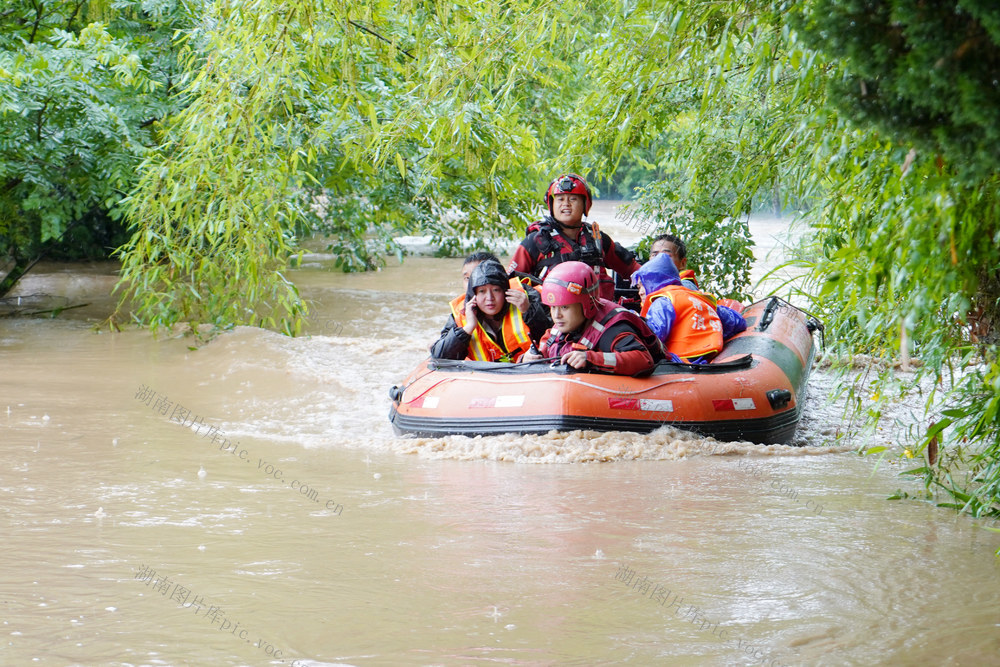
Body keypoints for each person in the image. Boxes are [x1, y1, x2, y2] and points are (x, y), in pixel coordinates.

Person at [507, 173, 641, 301]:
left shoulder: (598, 239)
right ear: (551, 204)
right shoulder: (535, 242)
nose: (566, 204)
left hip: (601, 318)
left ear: (585, 204)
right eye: (560, 199)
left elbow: (633, 270)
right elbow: (510, 283)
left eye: (573, 199)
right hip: (553, 318)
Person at [521, 261, 664, 375]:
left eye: (565, 307)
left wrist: (591, 359)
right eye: (553, 307)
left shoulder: (613, 329)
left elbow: (643, 360)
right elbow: (543, 353)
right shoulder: (557, 331)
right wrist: (526, 359)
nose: (556, 316)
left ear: (585, 305)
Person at [631, 253, 746, 363]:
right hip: (707, 358)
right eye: (638, 287)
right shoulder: (699, 297)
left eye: (643, 286)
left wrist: (632, 319)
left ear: (654, 283)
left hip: (680, 362)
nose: (640, 292)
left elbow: (652, 336)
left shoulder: (662, 302)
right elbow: (738, 323)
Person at [431, 260, 550, 362]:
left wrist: (529, 311)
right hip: (484, 380)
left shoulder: (528, 298)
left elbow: (554, 339)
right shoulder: (461, 313)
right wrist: (468, 328)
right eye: (482, 291)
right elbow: (440, 357)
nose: (489, 298)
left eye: (496, 290)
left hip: (528, 374)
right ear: (474, 295)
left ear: (505, 290)